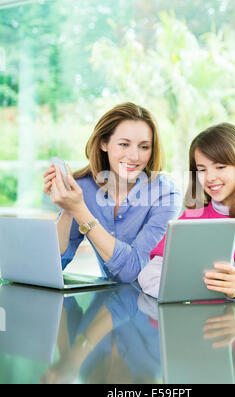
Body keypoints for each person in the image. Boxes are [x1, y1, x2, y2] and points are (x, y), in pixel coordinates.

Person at [138, 122, 235, 301]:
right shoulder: (190, 219)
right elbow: (149, 275)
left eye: (220, 167)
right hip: (208, 324)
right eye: (202, 169)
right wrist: (185, 292)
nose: (210, 177)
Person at [43, 102, 181, 282]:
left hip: (157, 302)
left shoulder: (165, 195)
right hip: (111, 302)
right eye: (124, 144)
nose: (134, 156)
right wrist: (68, 209)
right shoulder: (84, 188)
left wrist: (79, 209)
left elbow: (135, 270)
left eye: (144, 147)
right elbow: (54, 264)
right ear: (103, 143)